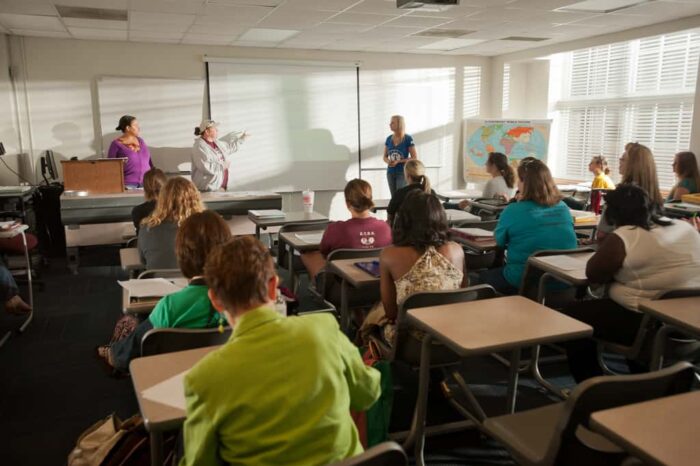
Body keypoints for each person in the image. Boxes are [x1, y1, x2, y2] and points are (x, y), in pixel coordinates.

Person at [180, 236, 381, 466]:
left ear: (215, 300)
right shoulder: (324, 330)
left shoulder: (203, 380)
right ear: (274, 287)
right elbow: (369, 392)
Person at [561, 184, 700, 382]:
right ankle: (640, 376)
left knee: (573, 315)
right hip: (690, 324)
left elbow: (593, 274)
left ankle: (591, 383)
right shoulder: (685, 227)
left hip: (648, 325)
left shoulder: (626, 236)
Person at [99, 210, 232, 372]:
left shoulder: (169, 307)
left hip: (171, 377)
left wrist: (114, 355)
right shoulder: (242, 301)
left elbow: (129, 353)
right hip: (226, 375)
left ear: (181, 255)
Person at [360, 190, 467, 345]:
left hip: (410, 342)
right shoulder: (457, 250)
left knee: (373, 319)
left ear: (403, 221)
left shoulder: (389, 255)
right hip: (453, 337)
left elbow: (391, 313)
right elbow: (462, 295)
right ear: (441, 218)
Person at [479, 159, 577, 295]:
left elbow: (499, 241)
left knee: (479, 279)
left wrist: (517, 205)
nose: (517, 184)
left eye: (520, 180)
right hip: (564, 281)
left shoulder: (513, 210)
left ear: (526, 184)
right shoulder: (563, 207)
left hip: (525, 282)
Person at [300, 179, 392, 280]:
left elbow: (324, 252)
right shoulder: (386, 228)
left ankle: (317, 288)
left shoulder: (335, 229)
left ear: (348, 204)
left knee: (309, 255)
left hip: (341, 286)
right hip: (377, 284)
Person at [597, 142, 663, 239]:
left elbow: (602, 235)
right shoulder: (657, 198)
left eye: (623, 159)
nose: (619, 160)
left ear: (633, 166)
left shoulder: (618, 196)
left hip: (617, 249)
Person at [138, 177, 204, 269]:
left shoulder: (146, 228)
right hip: (193, 281)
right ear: (195, 199)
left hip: (155, 281)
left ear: (161, 199)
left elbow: (143, 260)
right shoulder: (203, 228)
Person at [191, 119, 248, 192]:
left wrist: (242, 139)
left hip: (221, 188)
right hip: (207, 190)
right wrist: (223, 166)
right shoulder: (199, 147)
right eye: (214, 128)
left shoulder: (217, 143)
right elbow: (205, 166)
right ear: (207, 131)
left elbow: (229, 148)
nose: (217, 130)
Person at [108, 115, 152, 188]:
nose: (139, 128)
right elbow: (110, 166)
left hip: (146, 183)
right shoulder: (116, 144)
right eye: (135, 125)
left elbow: (149, 161)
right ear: (128, 128)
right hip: (128, 184)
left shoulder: (141, 141)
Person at [386, 159, 434, 225]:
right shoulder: (431, 192)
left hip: (405, 233)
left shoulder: (400, 193)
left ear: (407, 175)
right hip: (429, 233)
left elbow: (390, 218)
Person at [384, 115, 417, 196]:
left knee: (400, 196)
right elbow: (384, 157)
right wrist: (388, 161)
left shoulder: (408, 139)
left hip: (402, 172)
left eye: (392, 123)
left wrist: (399, 161)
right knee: (394, 197)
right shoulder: (388, 139)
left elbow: (414, 157)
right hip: (390, 172)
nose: (390, 124)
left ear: (399, 124)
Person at [131, 168, 167, 234]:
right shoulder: (173, 208)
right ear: (165, 186)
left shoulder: (137, 211)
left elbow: (139, 235)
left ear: (145, 188)